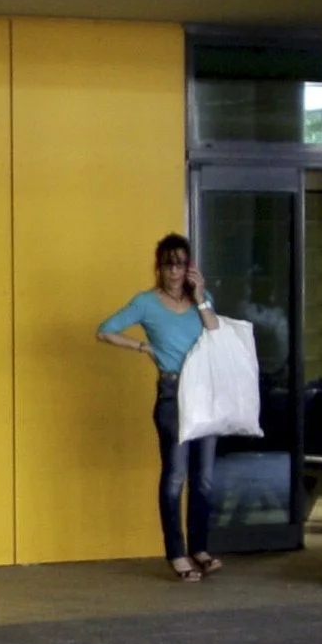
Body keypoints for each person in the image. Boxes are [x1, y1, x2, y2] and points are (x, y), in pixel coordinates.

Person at [97, 234, 222, 582]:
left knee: (205, 479)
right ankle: (177, 553)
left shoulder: (201, 299)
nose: (174, 271)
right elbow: (104, 330)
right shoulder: (146, 302)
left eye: (181, 263)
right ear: (159, 267)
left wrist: (200, 297)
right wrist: (143, 348)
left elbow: (216, 332)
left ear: (190, 267)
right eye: (168, 264)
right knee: (176, 476)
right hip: (172, 391)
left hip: (204, 391)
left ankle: (200, 548)